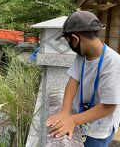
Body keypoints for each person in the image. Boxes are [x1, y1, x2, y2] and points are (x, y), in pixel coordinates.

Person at [46, 10, 120, 147]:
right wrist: (64, 112)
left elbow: (109, 106)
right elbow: (73, 81)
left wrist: (73, 121)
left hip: (99, 129)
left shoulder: (113, 63)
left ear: (75, 38)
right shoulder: (82, 56)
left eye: (68, 41)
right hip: (82, 118)